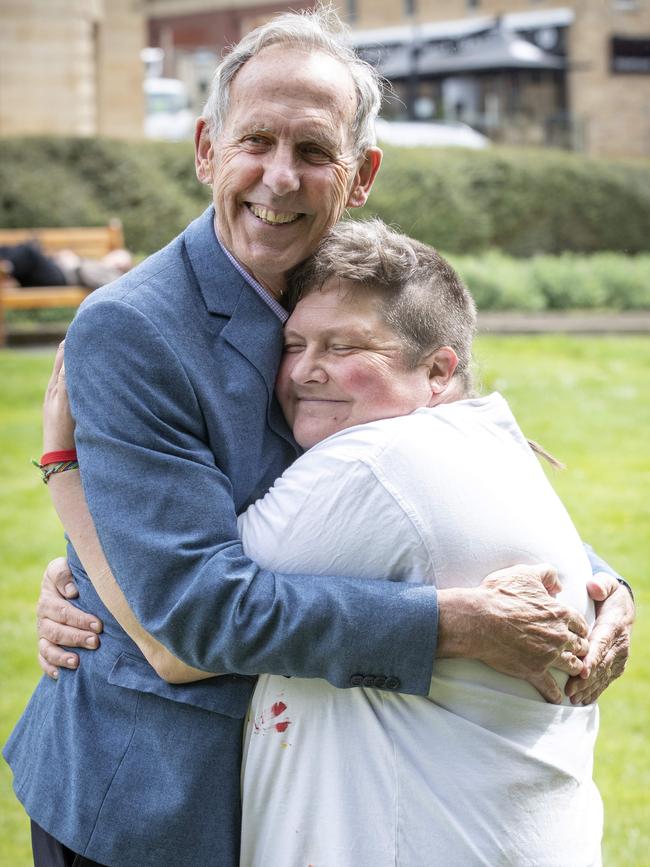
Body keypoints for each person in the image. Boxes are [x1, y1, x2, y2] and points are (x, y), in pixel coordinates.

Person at [4, 8, 633, 867]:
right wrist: (458, 624)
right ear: (205, 151)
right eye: (255, 140)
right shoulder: (131, 329)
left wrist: (598, 586)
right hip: (153, 795)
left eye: (313, 150)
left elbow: (466, 466)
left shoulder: (371, 284)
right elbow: (191, 615)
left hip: (318, 792)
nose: (280, 177)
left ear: (362, 172)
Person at [42, 219, 605, 866]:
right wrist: (607, 588)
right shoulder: (489, 441)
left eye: (344, 347)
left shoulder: (369, 464)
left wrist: (64, 469)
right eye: (294, 343)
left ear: (439, 370)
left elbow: (178, 629)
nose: (306, 370)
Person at [0, 241, 132, 290]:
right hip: (55, 271)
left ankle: (6, 267)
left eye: (117, 255)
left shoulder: (113, 275)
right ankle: (6, 266)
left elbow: (95, 282)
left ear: (121, 264)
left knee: (29, 251)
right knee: (20, 249)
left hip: (61, 278)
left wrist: (76, 263)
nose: (111, 255)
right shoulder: (99, 265)